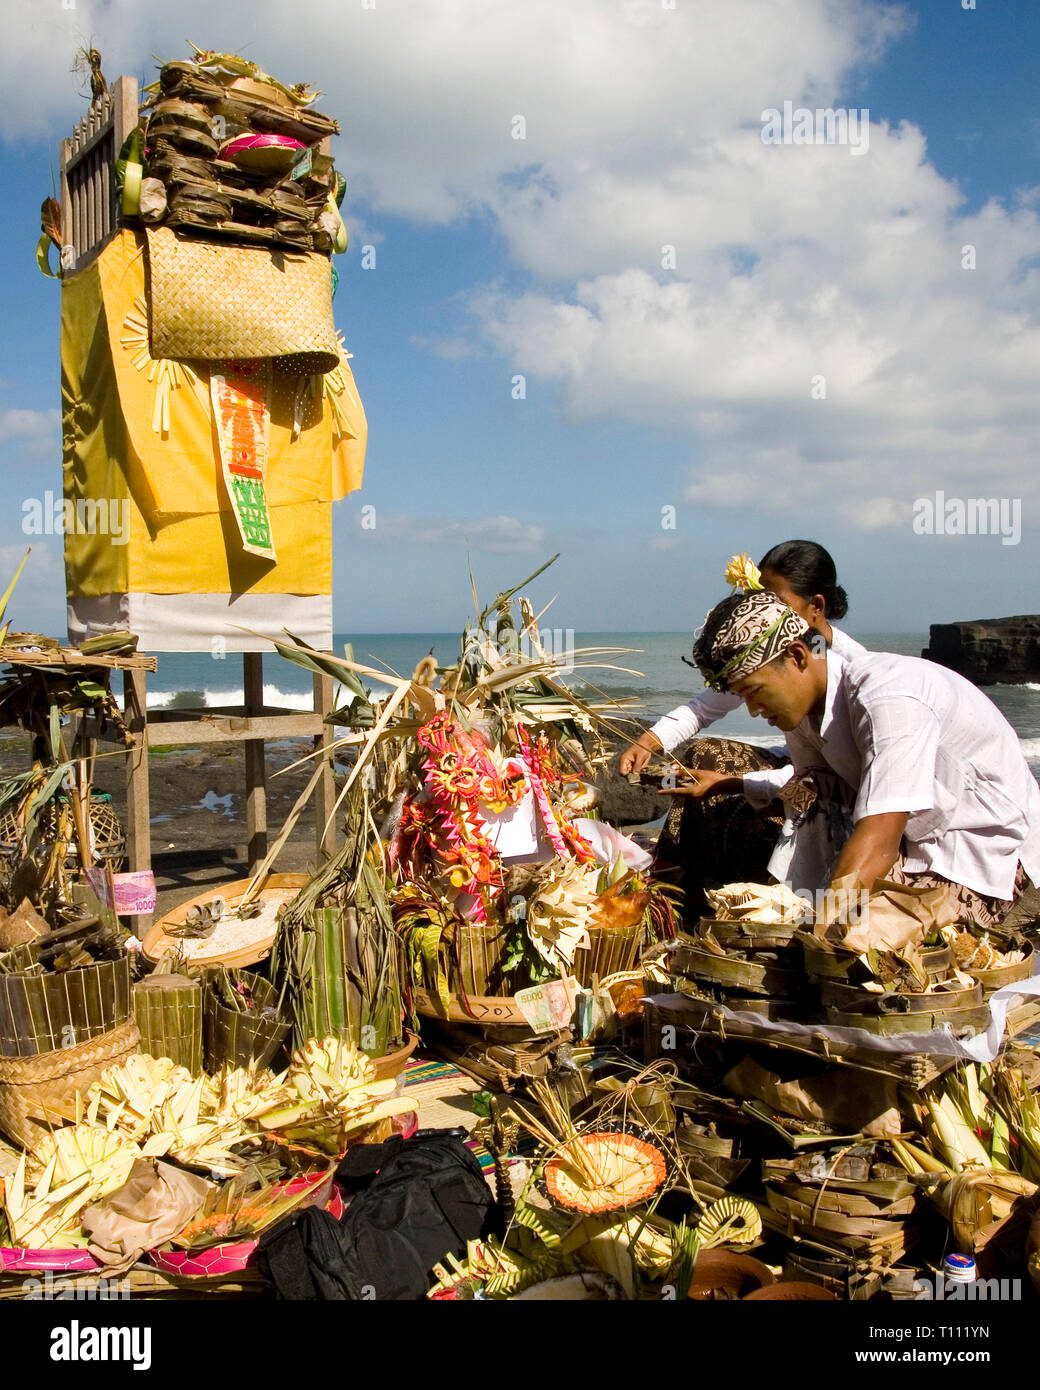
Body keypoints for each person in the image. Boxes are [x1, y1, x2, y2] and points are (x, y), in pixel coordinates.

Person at [689, 587, 1040, 927]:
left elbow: (880, 834)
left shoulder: (885, 695)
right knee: (790, 802)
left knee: (865, 942)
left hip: (982, 848)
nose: (752, 711)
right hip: (911, 836)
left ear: (797, 656)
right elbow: (814, 794)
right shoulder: (801, 716)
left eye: (754, 693)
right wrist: (735, 787)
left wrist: (823, 928)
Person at [619, 541, 863, 808]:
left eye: (776, 602)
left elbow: (827, 779)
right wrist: (650, 741)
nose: (762, 612)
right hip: (801, 771)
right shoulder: (763, 658)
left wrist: (737, 783)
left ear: (816, 606)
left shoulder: (855, 673)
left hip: (836, 790)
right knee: (702, 756)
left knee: (798, 800)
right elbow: (704, 707)